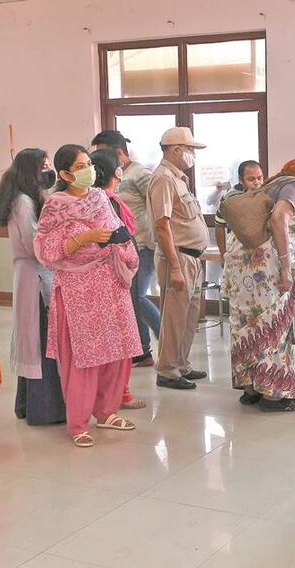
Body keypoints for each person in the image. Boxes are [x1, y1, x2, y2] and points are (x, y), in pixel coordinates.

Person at [35, 145, 141, 447]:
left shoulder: (99, 197)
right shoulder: (55, 205)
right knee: (84, 358)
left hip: (110, 284)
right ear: (65, 174)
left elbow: (116, 228)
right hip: (78, 289)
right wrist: (86, 237)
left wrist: (122, 246)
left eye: (89, 164)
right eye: (80, 166)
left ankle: (107, 412)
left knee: (116, 352)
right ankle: (79, 423)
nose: (88, 170)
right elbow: (46, 249)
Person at [224, 159, 295, 412]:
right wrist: (285, 268)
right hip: (265, 270)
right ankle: (274, 395)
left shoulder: (269, 187)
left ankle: (250, 388)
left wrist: (292, 263)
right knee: (272, 326)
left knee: (246, 324)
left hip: (242, 269)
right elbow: (278, 220)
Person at [0, 147, 66, 426]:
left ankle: (26, 404)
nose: (48, 171)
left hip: (34, 274)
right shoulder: (23, 202)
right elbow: (35, 244)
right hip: (34, 276)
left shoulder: (30, 197)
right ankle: (44, 409)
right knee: (40, 342)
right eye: (43, 166)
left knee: (35, 342)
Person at [91, 130, 160, 368]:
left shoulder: (140, 174)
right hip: (122, 248)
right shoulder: (108, 177)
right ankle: (142, 351)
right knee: (131, 299)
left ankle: (163, 340)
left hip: (141, 244)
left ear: (119, 153)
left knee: (137, 297)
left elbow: (159, 204)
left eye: (102, 153)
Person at [147, 127, 209, 390]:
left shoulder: (179, 178)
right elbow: (162, 225)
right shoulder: (164, 179)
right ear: (176, 150)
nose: (193, 154)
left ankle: (181, 364)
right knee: (174, 317)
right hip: (178, 257)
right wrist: (174, 267)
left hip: (191, 257)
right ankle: (168, 370)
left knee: (188, 316)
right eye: (191, 149)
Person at [91, 147, 146, 411]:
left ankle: (113, 393)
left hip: (110, 274)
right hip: (115, 274)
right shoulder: (107, 202)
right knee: (121, 339)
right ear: (117, 171)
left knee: (112, 339)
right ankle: (120, 394)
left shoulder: (96, 200)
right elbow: (118, 240)